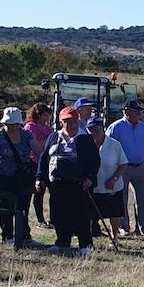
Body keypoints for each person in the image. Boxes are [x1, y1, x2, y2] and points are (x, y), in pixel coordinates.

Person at [39, 106, 99, 255]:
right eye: (67, 122)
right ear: (61, 122)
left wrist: (90, 179)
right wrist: (40, 177)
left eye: (74, 121)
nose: (71, 125)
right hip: (57, 184)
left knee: (82, 215)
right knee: (59, 215)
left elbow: (95, 161)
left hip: (79, 184)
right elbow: (44, 158)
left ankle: (85, 245)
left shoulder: (85, 139)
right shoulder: (54, 137)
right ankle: (62, 243)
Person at [0, 107, 37, 249]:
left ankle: (24, 236)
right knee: (6, 205)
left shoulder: (27, 136)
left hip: (23, 176)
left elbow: (39, 153)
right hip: (3, 177)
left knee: (23, 206)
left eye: (14, 124)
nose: (11, 127)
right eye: (8, 124)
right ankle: (8, 236)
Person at [108, 98, 144, 235]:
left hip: (139, 166)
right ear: (126, 111)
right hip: (122, 167)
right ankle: (124, 227)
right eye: (136, 112)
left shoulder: (142, 127)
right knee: (122, 198)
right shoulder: (115, 127)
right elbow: (108, 148)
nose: (139, 114)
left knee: (142, 199)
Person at [87, 117, 131, 239]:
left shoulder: (115, 144)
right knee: (89, 214)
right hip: (93, 186)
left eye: (96, 129)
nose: (94, 132)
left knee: (114, 214)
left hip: (112, 186)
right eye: (90, 130)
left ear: (103, 129)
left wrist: (114, 179)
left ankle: (114, 237)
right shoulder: (85, 145)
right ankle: (87, 239)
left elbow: (123, 163)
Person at [23, 103, 53, 226]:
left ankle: (53, 219)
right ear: (38, 115)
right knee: (38, 192)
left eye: (48, 115)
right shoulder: (30, 128)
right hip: (33, 163)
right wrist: (48, 140)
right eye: (45, 115)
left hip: (48, 163)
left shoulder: (49, 129)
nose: (47, 118)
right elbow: (35, 144)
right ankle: (40, 220)